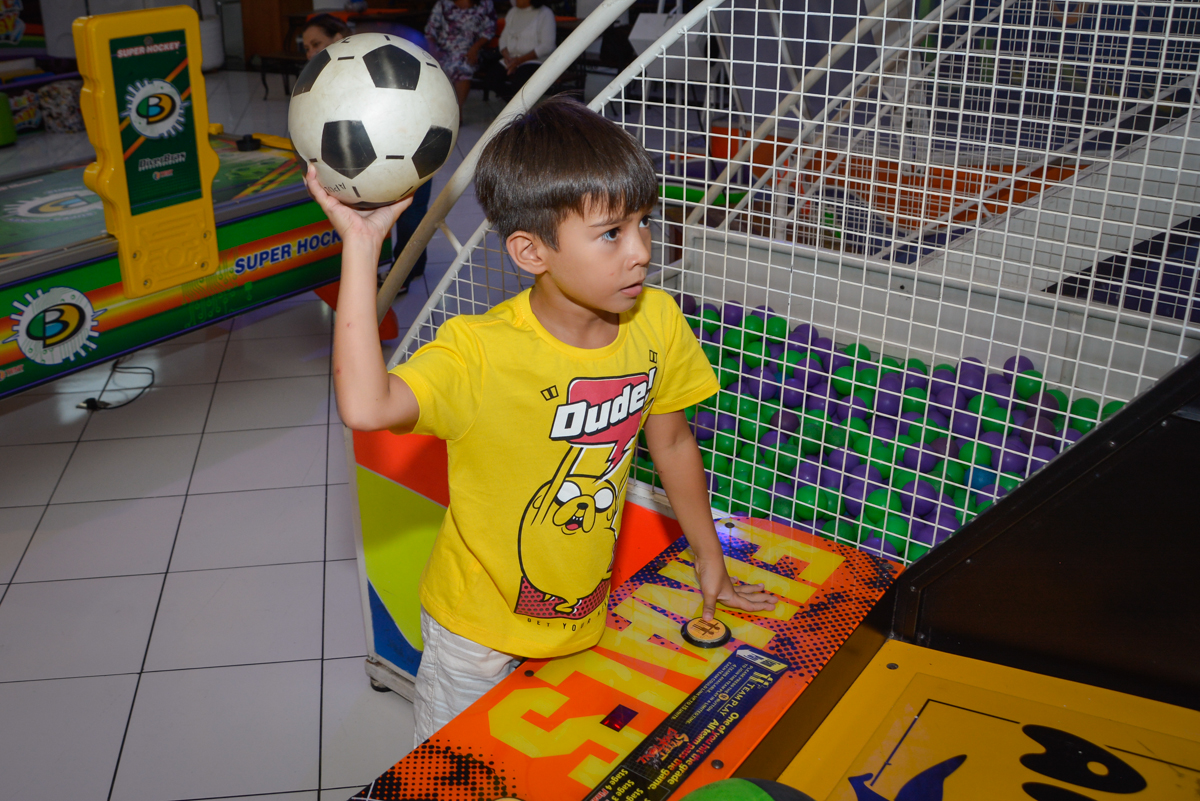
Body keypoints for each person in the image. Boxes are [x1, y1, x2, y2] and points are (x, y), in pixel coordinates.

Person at [304, 97, 776, 745]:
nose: (641, 250)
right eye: (612, 233)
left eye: (644, 222)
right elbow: (365, 405)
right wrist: (360, 247)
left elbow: (671, 440)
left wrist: (709, 558)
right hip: (475, 630)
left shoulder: (657, 320)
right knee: (459, 771)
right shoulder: (479, 350)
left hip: (582, 617)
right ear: (531, 251)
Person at [424, 0, 496, 111]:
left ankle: (457, 110)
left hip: (471, 50)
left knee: (463, 66)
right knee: (432, 66)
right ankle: (440, 109)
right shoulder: (443, 3)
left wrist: (475, 48)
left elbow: (489, 30)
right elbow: (430, 31)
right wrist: (433, 51)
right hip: (444, 49)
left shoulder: (485, 3)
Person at [492, 0, 557, 100]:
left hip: (535, 60)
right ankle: (512, 106)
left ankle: (518, 110)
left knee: (519, 82)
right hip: (511, 59)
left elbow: (547, 45)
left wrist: (519, 60)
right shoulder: (513, 12)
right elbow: (503, 39)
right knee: (492, 78)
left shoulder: (545, 13)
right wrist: (507, 56)